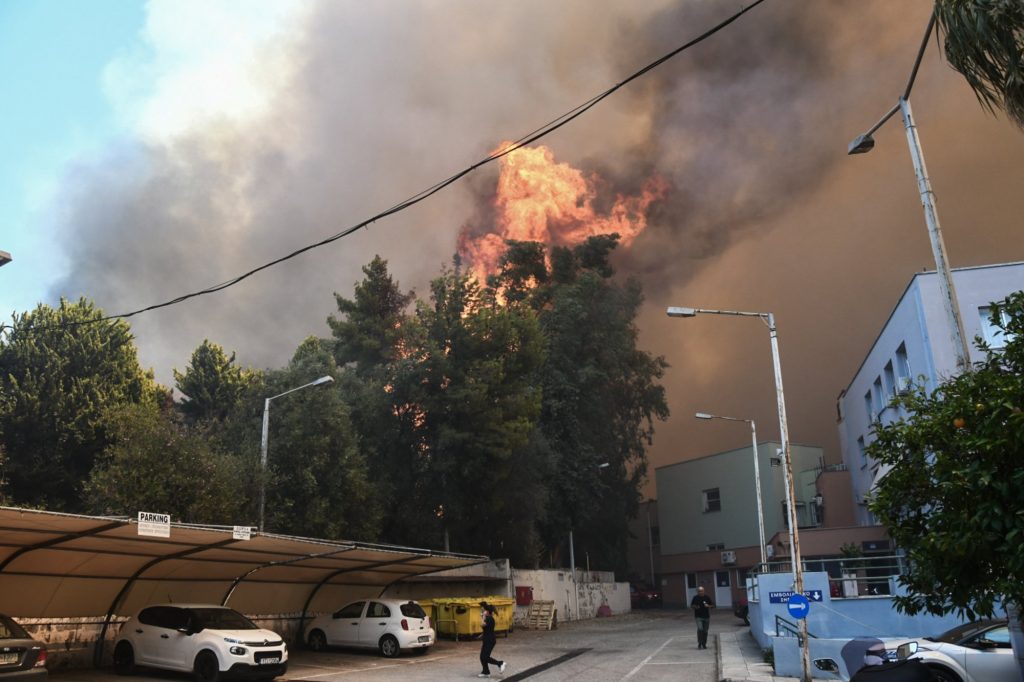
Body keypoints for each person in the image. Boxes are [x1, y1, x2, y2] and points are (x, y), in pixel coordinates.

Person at [477, 602, 506, 678]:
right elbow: (487, 629)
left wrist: (483, 616)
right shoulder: (488, 618)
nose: (482, 612)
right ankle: (486, 672)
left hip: (490, 641)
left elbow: (482, 624)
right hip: (487, 639)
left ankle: (500, 663)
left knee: (485, 657)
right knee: (482, 657)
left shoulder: (489, 619)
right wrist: (482, 634)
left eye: (483, 611)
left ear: (487, 611)